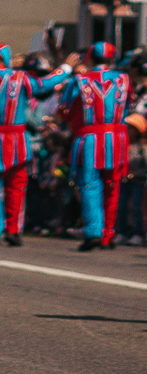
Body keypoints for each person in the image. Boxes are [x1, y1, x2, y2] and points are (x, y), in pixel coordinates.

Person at [0, 44, 68, 246]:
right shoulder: (18, 77)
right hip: (15, 141)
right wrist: (64, 69)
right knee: (16, 186)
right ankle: (13, 230)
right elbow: (43, 85)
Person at [62, 41, 131, 252]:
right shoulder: (124, 79)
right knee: (113, 185)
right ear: (112, 58)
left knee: (90, 186)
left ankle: (93, 232)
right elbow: (128, 107)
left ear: (90, 58)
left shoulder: (79, 80)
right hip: (117, 139)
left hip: (89, 139)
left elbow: (65, 110)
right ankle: (108, 234)